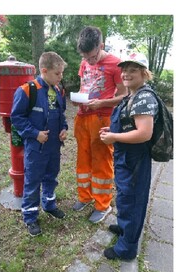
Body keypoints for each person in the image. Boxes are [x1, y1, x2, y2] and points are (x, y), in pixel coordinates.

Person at [99, 52, 160, 260]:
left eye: (132, 70)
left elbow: (144, 133)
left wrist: (114, 136)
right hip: (126, 157)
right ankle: (126, 229)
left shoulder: (144, 97)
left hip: (134, 159)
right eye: (124, 69)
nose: (126, 74)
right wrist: (113, 129)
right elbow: (130, 124)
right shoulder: (132, 94)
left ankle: (127, 248)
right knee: (125, 197)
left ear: (144, 73)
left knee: (132, 200)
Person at [11, 52, 68, 236]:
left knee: (51, 176)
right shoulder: (28, 90)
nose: (61, 77)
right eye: (57, 73)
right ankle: (30, 216)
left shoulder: (58, 90)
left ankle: (49, 204)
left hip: (53, 146)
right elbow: (17, 118)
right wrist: (35, 134)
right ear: (44, 71)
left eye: (61, 73)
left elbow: (62, 114)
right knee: (33, 181)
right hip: (36, 148)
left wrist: (64, 128)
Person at [72, 26, 126, 223]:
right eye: (85, 57)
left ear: (101, 46)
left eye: (92, 57)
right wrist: (77, 99)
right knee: (83, 159)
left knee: (102, 161)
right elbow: (83, 86)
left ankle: (103, 204)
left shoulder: (116, 64)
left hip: (102, 118)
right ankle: (85, 197)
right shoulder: (84, 62)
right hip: (82, 117)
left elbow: (124, 96)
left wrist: (102, 103)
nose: (89, 61)